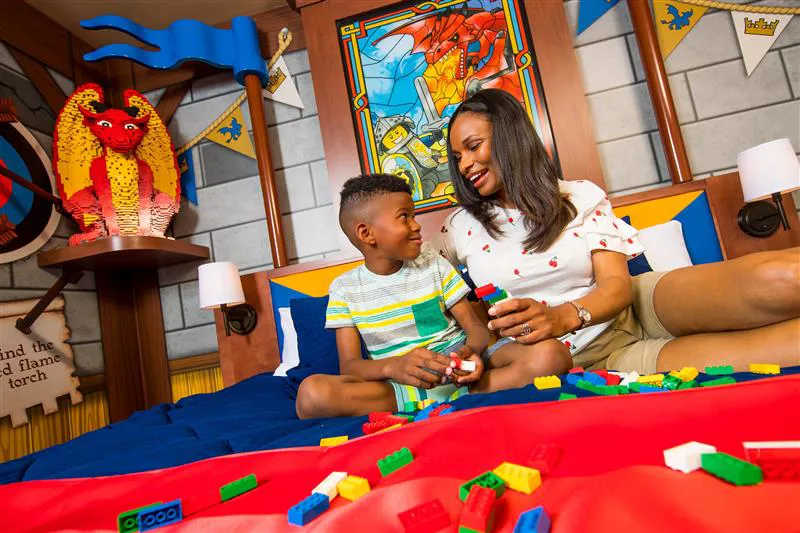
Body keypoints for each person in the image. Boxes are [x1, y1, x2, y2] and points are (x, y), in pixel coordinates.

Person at [437, 88, 800, 376]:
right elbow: (425, 288)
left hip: (638, 304)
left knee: (780, 277)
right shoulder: (459, 229)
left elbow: (616, 285)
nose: (465, 165)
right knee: (774, 352)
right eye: (457, 158)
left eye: (473, 147)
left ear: (509, 138)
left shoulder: (579, 194)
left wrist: (562, 316)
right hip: (591, 359)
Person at [295, 174, 571, 419]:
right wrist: (396, 367)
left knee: (553, 353)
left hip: (462, 368)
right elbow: (351, 367)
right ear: (366, 233)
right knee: (312, 395)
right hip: (401, 383)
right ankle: (446, 402)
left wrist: (470, 352)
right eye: (405, 216)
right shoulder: (344, 289)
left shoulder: (433, 263)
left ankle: (455, 397)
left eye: (414, 216)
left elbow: (475, 328)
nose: (417, 226)